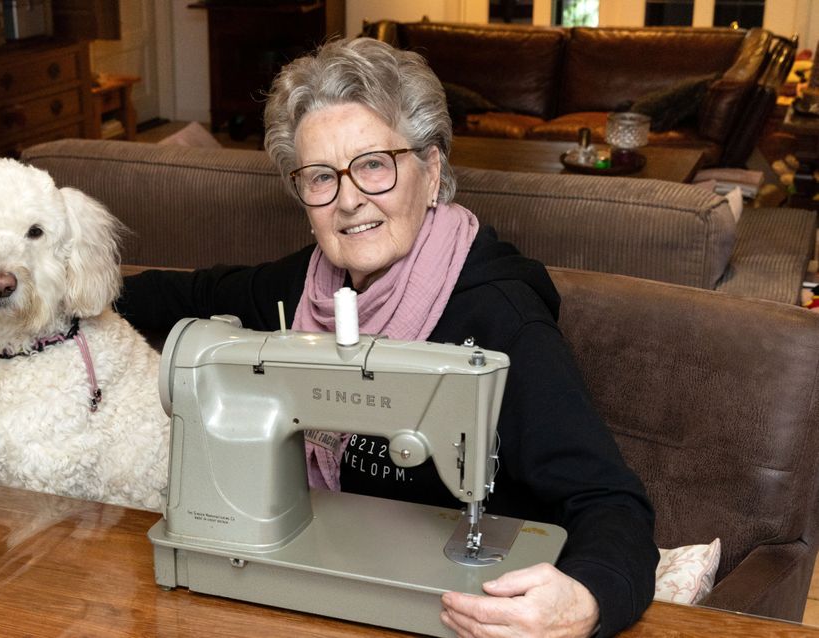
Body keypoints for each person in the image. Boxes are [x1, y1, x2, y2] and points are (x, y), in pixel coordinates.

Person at [115, 37, 657, 638]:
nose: (349, 200)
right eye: (321, 177)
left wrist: (585, 601)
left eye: (374, 164)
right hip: (308, 601)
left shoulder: (503, 317)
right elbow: (177, 298)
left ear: (432, 173)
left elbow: (612, 503)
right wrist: (61, 287)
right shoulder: (298, 288)